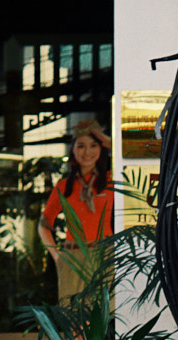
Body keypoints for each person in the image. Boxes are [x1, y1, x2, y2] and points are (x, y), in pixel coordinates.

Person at [37, 119, 115, 301]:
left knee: (102, 316)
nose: (87, 152)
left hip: (104, 254)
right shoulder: (64, 187)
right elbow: (44, 225)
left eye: (94, 145)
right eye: (80, 146)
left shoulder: (111, 180)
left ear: (101, 148)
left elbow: (124, 155)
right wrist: (57, 257)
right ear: (72, 150)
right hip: (72, 256)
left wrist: (102, 137)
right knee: (74, 316)